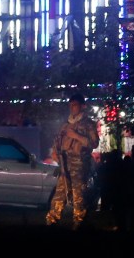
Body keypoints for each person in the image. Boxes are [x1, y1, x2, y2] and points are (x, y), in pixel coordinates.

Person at [46, 93, 100, 230]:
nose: (72, 108)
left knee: (78, 195)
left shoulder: (88, 124)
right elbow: (57, 141)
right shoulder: (65, 125)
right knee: (59, 193)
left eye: (75, 105)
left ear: (83, 106)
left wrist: (76, 136)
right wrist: (54, 152)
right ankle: (52, 220)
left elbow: (94, 143)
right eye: (70, 105)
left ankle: (79, 222)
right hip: (65, 163)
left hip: (80, 164)